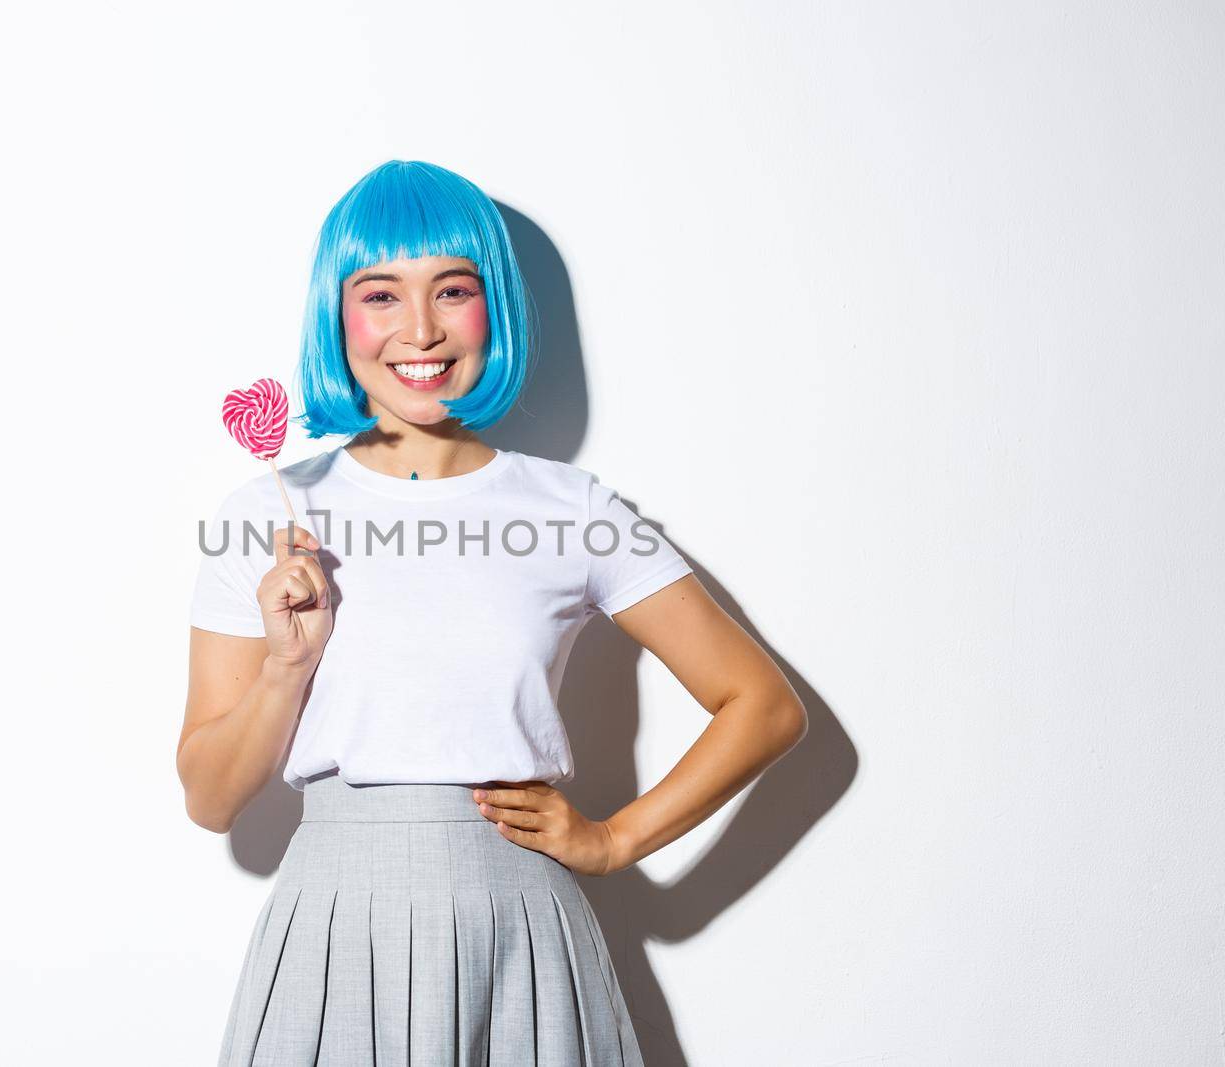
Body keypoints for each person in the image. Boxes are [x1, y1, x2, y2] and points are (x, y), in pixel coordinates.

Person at [180, 160, 808, 1065]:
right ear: (338, 314)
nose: (420, 329)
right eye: (381, 294)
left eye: (454, 290)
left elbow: (763, 703)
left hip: (519, 920)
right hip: (331, 923)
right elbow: (208, 797)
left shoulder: (573, 510)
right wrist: (286, 666)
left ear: (492, 307)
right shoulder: (269, 514)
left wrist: (615, 838)